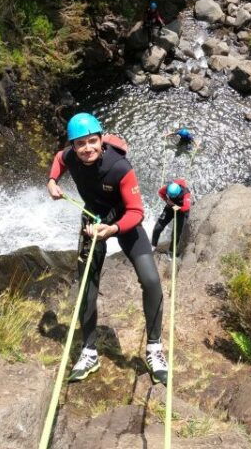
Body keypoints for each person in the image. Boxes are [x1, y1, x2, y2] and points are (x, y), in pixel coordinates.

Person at [47, 112, 168, 385]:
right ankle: (89, 351)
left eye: (92, 141)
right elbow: (58, 159)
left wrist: (113, 229)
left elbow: (137, 212)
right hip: (93, 221)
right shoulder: (70, 157)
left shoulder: (119, 168)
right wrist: (53, 181)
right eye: (80, 144)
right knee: (86, 286)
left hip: (124, 222)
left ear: (102, 140)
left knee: (151, 281)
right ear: (73, 146)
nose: (87, 148)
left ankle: (154, 348)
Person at [151, 179, 191, 253]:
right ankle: (153, 245)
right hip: (170, 207)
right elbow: (160, 192)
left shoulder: (186, 193)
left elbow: (186, 207)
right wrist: (166, 200)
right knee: (158, 228)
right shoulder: (167, 188)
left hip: (181, 210)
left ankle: (171, 251)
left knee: (177, 233)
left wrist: (176, 207)